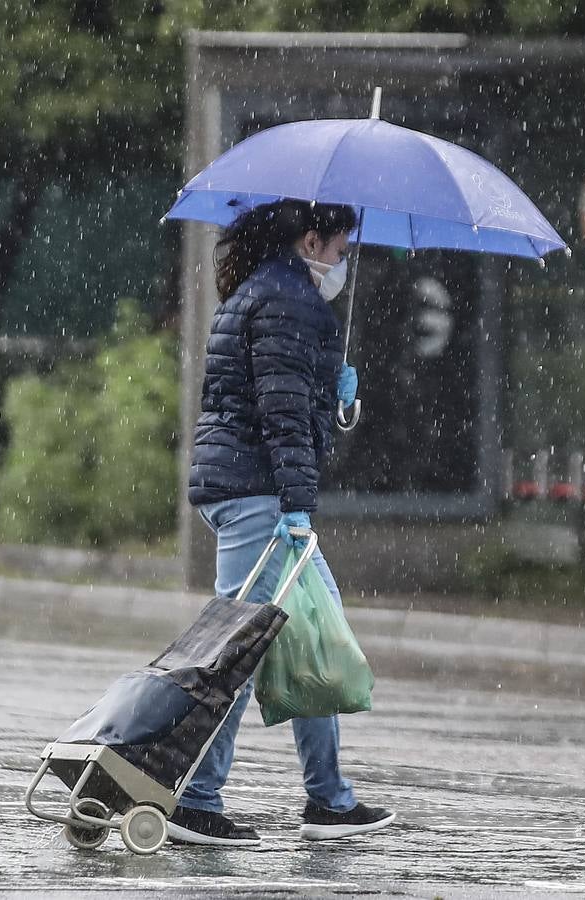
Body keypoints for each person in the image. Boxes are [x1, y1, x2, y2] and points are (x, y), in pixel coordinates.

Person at [175, 199, 395, 847]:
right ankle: (194, 799)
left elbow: (281, 400)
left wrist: (334, 389)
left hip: (249, 488)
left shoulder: (267, 292)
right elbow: (278, 414)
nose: (343, 259)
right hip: (260, 496)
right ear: (309, 240)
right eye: (339, 248)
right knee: (237, 650)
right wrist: (296, 505)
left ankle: (328, 799)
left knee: (315, 637)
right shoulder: (287, 302)